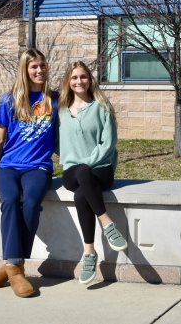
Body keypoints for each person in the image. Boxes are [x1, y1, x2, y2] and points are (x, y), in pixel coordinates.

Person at [0, 49, 58, 298]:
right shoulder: (9, 100)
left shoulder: (54, 100)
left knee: (32, 202)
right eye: (34, 67)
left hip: (38, 167)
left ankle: (11, 268)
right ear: (25, 70)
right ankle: (16, 269)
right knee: (11, 200)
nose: (39, 71)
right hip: (9, 166)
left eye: (42, 66)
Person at [57, 61, 127, 285]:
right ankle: (107, 223)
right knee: (80, 179)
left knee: (81, 194)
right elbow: (55, 143)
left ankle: (89, 253)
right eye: (74, 77)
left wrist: (86, 163)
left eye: (83, 77)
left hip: (101, 171)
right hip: (71, 171)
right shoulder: (60, 112)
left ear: (90, 79)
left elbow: (109, 143)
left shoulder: (102, 107)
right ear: (68, 81)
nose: (79, 81)